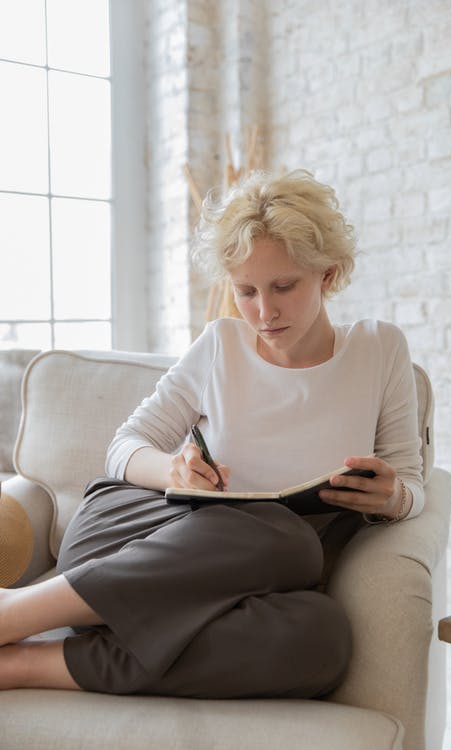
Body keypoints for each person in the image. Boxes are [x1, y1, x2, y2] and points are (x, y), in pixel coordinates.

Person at [0, 169, 423, 696]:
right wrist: (172, 468)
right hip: (131, 535)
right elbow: (122, 450)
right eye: (245, 291)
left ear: (329, 275)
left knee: (323, 639)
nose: (263, 312)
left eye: (283, 287)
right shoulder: (221, 344)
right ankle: (15, 611)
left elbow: (409, 482)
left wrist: (392, 496)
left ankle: (22, 667)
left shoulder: (379, 351)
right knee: (290, 540)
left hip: (239, 586)